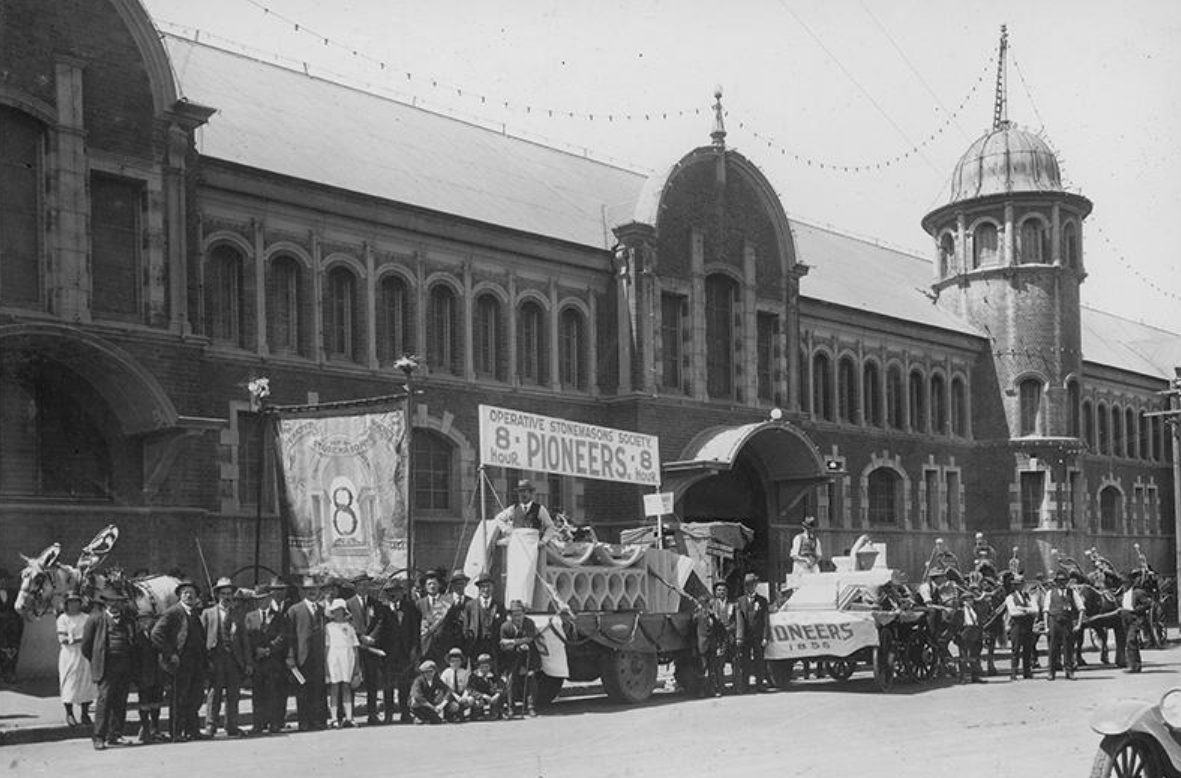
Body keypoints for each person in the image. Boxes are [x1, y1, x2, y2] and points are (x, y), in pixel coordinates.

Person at [151, 579, 207, 742]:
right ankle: (176, 732)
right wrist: (170, 653)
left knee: (195, 698)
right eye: (185, 593)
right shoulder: (173, 612)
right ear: (180, 596)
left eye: (192, 593)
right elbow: (156, 634)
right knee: (178, 699)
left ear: (197, 596)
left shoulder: (195, 613)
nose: (189, 595)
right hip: (180, 663)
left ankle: (193, 730)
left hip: (196, 663)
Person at [81, 590, 137, 750]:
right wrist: (97, 661)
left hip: (125, 666)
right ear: (105, 603)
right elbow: (86, 646)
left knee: (120, 701)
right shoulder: (96, 619)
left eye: (118, 601)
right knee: (104, 701)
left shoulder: (128, 620)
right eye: (111, 601)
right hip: (106, 666)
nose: (114, 605)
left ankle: (116, 735)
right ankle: (99, 737)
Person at [364, 576, 420, 724]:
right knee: (388, 685)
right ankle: (388, 715)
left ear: (402, 592)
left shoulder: (410, 608)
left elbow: (415, 631)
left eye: (396, 591)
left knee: (404, 685)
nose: (393, 595)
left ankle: (405, 713)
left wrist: (414, 649)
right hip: (388, 654)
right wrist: (370, 640)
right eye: (390, 592)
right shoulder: (382, 609)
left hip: (405, 653)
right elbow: (379, 627)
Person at [200, 577, 250, 738]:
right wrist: (204, 660)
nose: (227, 597)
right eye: (223, 594)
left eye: (229, 594)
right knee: (214, 693)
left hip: (234, 660)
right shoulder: (208, 613)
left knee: (233, 694)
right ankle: (210, 726)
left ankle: (232, 726)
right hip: (216, 659)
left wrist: (248, 661)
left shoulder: (238, 614)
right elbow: (201, 638)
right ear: (217, 595)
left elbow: (244, 640)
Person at [244, 576, 290, 734]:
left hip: (273, 661)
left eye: (263, 598)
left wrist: (269, 649)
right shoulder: (250, 616)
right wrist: (255, 650)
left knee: (274, 692)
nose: (260, 602)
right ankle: (258, 724)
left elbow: (283, 636)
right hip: (257, 661)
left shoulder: (279, 617)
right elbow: (247, 637)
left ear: (270, 598)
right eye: (257, 599)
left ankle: (275, 723)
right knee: (258, 693)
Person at [286, 576, 329, 731]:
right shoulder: (295, 610)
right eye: (309, 589)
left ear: (319, 591)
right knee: (302, 690)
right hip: (301, 656)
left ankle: (317, 720)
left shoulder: (322, 610)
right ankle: (304, 722)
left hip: (318, 657)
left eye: (315, 589)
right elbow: (290, 636)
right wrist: (290, 656)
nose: (312, 592)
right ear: (304, 591)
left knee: (318, 689)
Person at [57, 592, 96, 728]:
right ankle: (69, 713)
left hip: (85, 655)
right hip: (69, 655)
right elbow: (64, 639)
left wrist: (79, 639)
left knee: (86, 683)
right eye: (71, 602)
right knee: (69, 683)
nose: (74, 605)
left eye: (76, 602)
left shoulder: (87, 618)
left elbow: (92, 636)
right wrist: (81, 639)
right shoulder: (63, 619)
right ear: (66, 604)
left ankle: (85, 714)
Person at [499, 599, 540, 717]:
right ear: (510, 615)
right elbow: (502, 644)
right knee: (511, 680)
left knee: (530, 679)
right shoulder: (505, 627)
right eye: (515, 614)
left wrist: (512, 641)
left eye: (520, 613)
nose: (518, 617)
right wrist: (516, 645)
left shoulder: (529, 623)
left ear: (524, 613)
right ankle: (511, 708)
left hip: (528, 655)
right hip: (512, 656)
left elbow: (529, 639)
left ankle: (531, 706)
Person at [1042, 569, 1084, 680]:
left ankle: (1069, 671)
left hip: (1067, 622)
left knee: (1068, 647)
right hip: (1054, 621)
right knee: (1053, 648)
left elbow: (1081, 608)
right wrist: (1046, 627)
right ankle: (1051, 672)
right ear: (1056, 582)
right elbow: (1046, 611)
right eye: (1059, 581)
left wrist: (1079, 624)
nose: (1061, 583)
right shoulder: (1050, 593)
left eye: (1064, 581)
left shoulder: (1072, 592)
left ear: (1067, 581)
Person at [325, 598, 360, 728]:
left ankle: (349, 717)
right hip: (333, 658)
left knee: (346, 687)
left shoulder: (349, 627)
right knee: (334, 688)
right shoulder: (328, 627)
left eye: (341, 610)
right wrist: (326, 666)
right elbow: (326, 647)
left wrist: (357, 666)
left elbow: (355, 647)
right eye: (336, 611)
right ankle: (334, 718)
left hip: (347, 658)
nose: (338, 613)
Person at [733, 573, 770, 694]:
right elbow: (739, 620)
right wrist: (739, 636)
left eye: (752, 584)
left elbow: (766, 620)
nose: (750, 587)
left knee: (759, 660)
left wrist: (765, 636)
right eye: (747, 585)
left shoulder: (763, 601)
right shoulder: (740, 601)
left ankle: (760, 684)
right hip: (746, 637)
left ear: (756, 585)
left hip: (758, 636)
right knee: (745, 661)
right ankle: (745, 685)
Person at [494, 479, 558, 545]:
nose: (522, 494)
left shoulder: (539, 509)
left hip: (532, 544)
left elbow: (550, 526)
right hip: (517, 544)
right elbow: (498, 518)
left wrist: (544, 541)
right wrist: (509, 530)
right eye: (520, 492)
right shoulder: (513, 508)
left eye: (525, 491)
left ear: (531, 494)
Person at [463, 573, 505, 670]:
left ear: (493, 587)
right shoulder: (470, 605)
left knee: (493, 672)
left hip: (493, 646)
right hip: (476, 646)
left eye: (488, 586)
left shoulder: (499, 606)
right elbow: (465, 627)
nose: (486, 589)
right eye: (483, 586)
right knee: (476, 673)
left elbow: (502, 626)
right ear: (479, 588)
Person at [1004, 574, 1038, 680]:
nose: (1019, 587)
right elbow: (1013, 612)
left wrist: (1022, 609)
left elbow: (1036, 610)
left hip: (1027, 626)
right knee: (1016, 650)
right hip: (1017, 626)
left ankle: (1027, 672)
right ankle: (1014, 672)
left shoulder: (1029, 596)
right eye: (1017, 585)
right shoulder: (1010, 598)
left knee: (1027, 649)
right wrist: (1028, 610)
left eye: (1020, 584)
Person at [951, 587, 985, 684]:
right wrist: (957, 635)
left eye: (971, 599)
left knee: (975, 656)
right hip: (965, 633)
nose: (970, 601)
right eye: (968, 600)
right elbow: (954, 625)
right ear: (964, 601)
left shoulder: (975, 611)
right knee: (963, 657)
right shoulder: (960, 611)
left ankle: (975, 676)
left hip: (975, 632)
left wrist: (980, 633)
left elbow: (979, 622)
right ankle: (962, 677)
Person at [417, 570, 451, 665]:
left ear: (439, 585)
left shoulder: (446, 602)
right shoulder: (419, 603)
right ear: (425, 586)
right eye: (429, 584)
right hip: (425, 646)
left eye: (434, 583)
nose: (432, 586)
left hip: (443, 647)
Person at [1120, 573, 1152, 674]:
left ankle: (1134, 666)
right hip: (1125, 618)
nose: (1124, 584)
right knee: (1129, 642)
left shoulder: (1138, 592)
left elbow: (1148, 603)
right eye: (1123, 582)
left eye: (1125, 582)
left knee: (1131, 640)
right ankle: (1133, 665)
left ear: (1131, 582)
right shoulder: (1123, 592)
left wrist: (1136, 610)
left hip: (1135, 618)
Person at [409, 660, 449, 724]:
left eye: (431, 671)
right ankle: (415, 717)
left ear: (435, 672)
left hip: (429, 704)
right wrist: (432, 707)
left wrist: (442, 705)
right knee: (414, 701)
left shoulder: (436, 680)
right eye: (426, 672)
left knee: (437, 721)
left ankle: (425, 718)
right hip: (420, 704)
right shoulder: (418, 680)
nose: (428, 674)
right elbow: (417, 695)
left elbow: (448, 690)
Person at [468, 653, 507, 720]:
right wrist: (482, 695)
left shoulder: (493, 675)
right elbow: (471, 690)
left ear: (490, 666)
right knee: (477, 702)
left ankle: (496, 713)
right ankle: (478, 714)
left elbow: (501, 685)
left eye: (487, 667)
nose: (485, 669)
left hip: (491, 696)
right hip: (480, 697)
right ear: (478, 666)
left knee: (499, 697)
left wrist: (497, 694)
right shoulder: (474, 676)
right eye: (482, 667)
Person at [439, 647, 474, 721]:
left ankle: (463, 714)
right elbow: (444, 688)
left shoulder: (464, 673)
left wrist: (464, 696)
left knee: (470, 699)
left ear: (461, 662)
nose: (455, 663)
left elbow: (468, 686)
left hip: (461, 695)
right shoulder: (446, 673)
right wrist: (457, 698)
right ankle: (450, 715)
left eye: (457, 661)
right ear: (449, 662)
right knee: (454, 706)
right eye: (452, 661)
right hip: (450, 696)